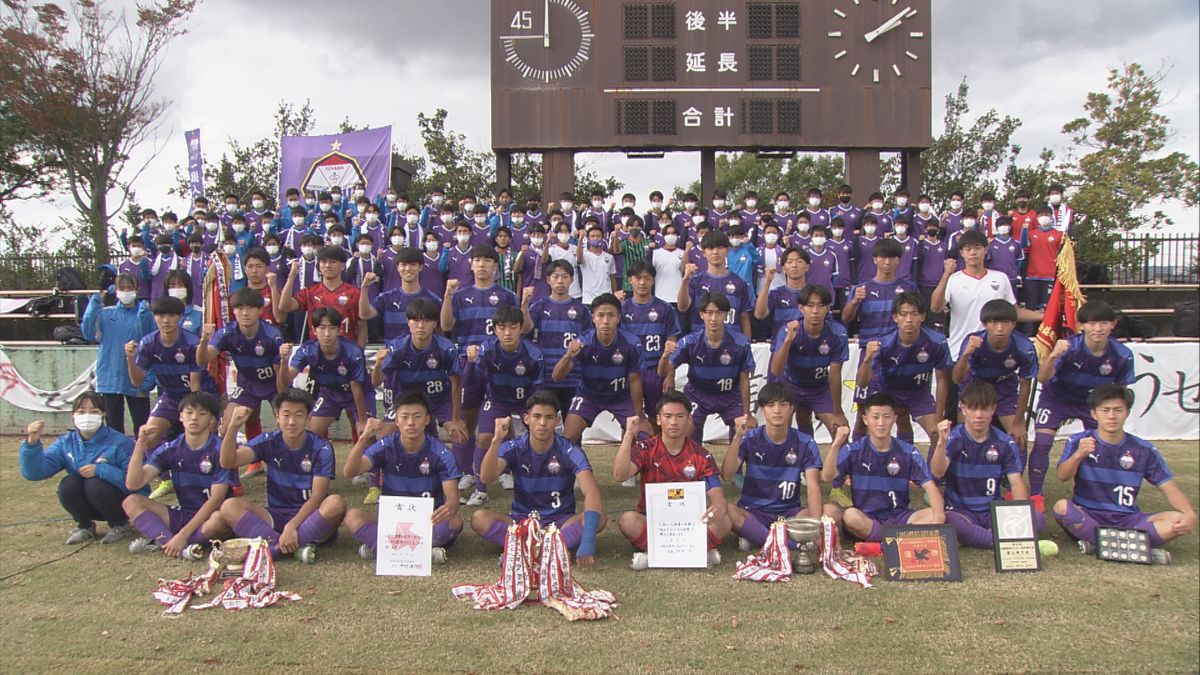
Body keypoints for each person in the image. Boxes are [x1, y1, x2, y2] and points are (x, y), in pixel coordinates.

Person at [1052, 385, 1194, 562]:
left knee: (1177, 520)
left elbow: (1168, 486)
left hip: (1129, 519)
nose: (1112, 416)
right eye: (1106, 410)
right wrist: (1079, 455)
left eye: (1118, 410)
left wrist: (1189, 513)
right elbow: (1062, 476)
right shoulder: (1079, 441)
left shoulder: (1143, 449)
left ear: (1127, 413)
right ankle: (1138, 548)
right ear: (1094, 414)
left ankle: (1099, 544)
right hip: (1090, 515)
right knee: (1062, 507)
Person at [472, 391, 607, 565]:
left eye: (549, 417)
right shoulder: (514, 447)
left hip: (560, 522)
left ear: (557, 420)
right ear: (526, 419)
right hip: (522, 522)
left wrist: (588, 542)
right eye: (537, 416)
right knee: (479, 518)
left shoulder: (570, 450)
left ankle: (525, 549)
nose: (542, 423)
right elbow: (486, 477)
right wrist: (496, 440)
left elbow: (592, 493)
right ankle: (548, 548)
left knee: (599, 518)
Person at [219, 388, 347, 563]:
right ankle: (293, 546)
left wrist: (292, 525)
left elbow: (318, 496)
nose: (292, 422)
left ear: (308, 418)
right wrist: (233, 427)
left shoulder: (321, 448)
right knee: (228, 507)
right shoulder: (268, 440)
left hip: (311, 516)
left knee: (336, 503)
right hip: (276, 515)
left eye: (299, 415)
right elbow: (228, 462)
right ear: (277, 417)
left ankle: (275, 549)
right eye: (286, 415)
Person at [1029, 301, 1135, 507]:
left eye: (1103, 323)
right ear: (1081, 325)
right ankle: (1036, 495)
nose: (1098, 328)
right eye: (1092, 323)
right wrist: (1052, 356)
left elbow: (1120, 391)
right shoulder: (1069, 348)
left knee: (1102, 446)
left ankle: (1096, 493)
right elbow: (1042, 378)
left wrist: (1109, 413)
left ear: (1112, 325)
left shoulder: (1123, 354)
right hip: (1057, 398)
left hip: (1093, 403)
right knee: (1042, 443)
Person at [613, 391, 731, 570]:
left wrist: (719, 507)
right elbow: (620, 475)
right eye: (668, 416)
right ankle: (696, 553)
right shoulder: (646, 448)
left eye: (680, 416)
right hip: (652, 520)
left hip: (690, 522)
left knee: (724, 522)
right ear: (659, 419)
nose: (674, 422)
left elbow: (717, 494)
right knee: (627, 520)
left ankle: (653, 556)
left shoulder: (701, 454)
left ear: (689, 419)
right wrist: (629, 434)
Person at [440, 245, 519, 504]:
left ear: (495, 266)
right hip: (468, 362)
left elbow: (517, 326)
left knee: (501, 416)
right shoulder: (460, 295)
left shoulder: (506, 295)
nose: (482, 264)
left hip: (499, 362)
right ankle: (467, 472)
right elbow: (446, 326)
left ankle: (505, 469)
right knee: (467, 418)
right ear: (470, 265)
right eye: (477, 260)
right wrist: (447, 295)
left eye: (487, 260)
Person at [342, 394, 463, 563]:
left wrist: (449, 507)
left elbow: (452, 499)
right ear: (397, 421)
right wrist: (363, 438)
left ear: (427, 420)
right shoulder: (386, 446)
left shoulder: (441, 453)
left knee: (455, 521)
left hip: (427, 521)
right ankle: (424, 553)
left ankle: (382, 549)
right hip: (392, 521)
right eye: (405, 417)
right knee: (352, 517)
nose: (411, 423)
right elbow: (349, 471)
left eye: (417, 416)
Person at [721, 383, 837, 552]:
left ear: (791, 409)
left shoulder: (805, 442)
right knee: (727, 508)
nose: (777, 410)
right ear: (762, 409)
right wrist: (737, 437)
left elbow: (813, 487)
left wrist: (816, 528)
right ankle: (791, 543)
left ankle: (756, 537)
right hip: (754, 512)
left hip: (790, 513)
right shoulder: (749, 438)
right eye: (771, 405)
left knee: (831, 511)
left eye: (783, 404)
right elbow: (727, 474)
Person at [928, 382, 1043, 550]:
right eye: (973, 409)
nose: (979, 415)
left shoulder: (1005, 442)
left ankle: (985, 537)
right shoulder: (953, 439)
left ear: (993, 409)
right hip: (960, 510)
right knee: (951, 522)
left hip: (993, 510)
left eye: (984, 409)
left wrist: (1021, 516)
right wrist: (941, 443)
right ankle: (998, 539)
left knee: (1038, 520)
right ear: (964, 408)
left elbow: (1016, 482)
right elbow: (937, 472)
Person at [20, 393, 145, 545]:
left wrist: (101, 470)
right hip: (88, 502)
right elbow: (36, 472)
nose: (87, 416)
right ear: (73, 415)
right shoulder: (66, 442)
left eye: (94, 412)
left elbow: (137, 484)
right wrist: (32, 444)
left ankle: (119, 524)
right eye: (81, 412)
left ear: (103, 414)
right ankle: (85, 526)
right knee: (67, 484)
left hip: (118, 501)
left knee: (95, 484)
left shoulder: (121, 443)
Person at [123, 392, 236, 556]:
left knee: (220, 520)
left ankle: (177, 542)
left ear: (212, 420)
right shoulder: (172, 448)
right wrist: (140, 444)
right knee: (131, 501)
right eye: (189, 412)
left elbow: (216, 499)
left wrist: (183, 535)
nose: (194, 418)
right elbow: (133, 484)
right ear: (181, 417)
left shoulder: (220, 450)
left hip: (212, 515)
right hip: (184, 514)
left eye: (202, 413)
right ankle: (171, 543)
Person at [822, 393, 944, 542]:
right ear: (865, 419)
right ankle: (902, 538)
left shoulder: (908, 451)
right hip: (867, 517)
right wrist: (835, 445)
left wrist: (938, 518)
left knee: (936, 513)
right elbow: (827, 476)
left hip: (900, 516)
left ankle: (884, 538)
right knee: (850, 516)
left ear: (894, 419)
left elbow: (931, 487)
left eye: (886, 417)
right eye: (875, 417)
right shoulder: (853, 450)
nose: (881, 423)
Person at [460, 305, 544, 506]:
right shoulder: (487, 349)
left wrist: (532, 414)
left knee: (538, 435)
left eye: (513, 327)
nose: (507, 332)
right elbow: (470, 383)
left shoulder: (533, 353)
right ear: (495, 329)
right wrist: (470, 363)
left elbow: (538, 388)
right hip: (496, 399)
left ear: (521, 328)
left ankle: (535, 485)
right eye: (502, 327)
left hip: (526, 401)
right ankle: (481, 489)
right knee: (484, 436)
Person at [856, 292, 953, 445]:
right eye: (904, 314)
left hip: (918, 393)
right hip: (887, 391)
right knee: (876, 436)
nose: (909, 320)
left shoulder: (937, 342)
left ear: (922, 316)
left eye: (914, 314)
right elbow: (862, 383)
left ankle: (930, 469)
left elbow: (942, 380)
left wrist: (938, 417)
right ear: (896, 317)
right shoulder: (884, 343)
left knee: (937, 434)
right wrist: (867, 359)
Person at [553, 293, 648, 444]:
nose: (605, 321)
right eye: (601, 315)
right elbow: (556, 377)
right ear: (593, 318)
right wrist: (568, 356)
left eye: (611, 315)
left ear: (618, 318)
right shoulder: (583, 342)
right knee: (567, 439)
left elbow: (635, 381)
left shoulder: (631, 344)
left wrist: (639, 416)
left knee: (641, 436)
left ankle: (626, 463)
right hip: (588, 396)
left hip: (621, 398)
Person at [125, 296, 218, 450]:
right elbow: (137, 382)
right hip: (170, 397)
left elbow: (195, 385)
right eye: (161, 316)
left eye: (171, 315)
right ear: (154, 317)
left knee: (197, 439)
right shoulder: (148, 344)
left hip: (199, 396)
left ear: (180, 316)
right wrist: (129, 359)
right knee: (147, 438)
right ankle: (153, 471)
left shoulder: (191, 343)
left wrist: (198, 413)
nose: (166, 320)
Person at [662, 292, 753, 443]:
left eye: (718, 313)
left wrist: (747, 413)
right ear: (701, 315)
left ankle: (735, 467)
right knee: (687, 429)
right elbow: (670, 364)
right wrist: (670, 375)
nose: (713, 318)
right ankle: (693, 464)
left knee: (744, 431)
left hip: (730, 396)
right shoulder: (690, 342)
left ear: (726, 315)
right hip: (698, 394)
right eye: (709, 313)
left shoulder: (741, 343)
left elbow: (744, 380)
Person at [932, 229, 1040, 356]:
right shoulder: (953, 279)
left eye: (977, 248)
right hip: (960, 350)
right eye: (968, 249)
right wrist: (946, 275)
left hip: (993, 352)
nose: (973, 253)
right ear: (962, 253)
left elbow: (1014, 312)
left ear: (986, 249)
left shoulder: (1000, 278)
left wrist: (1045, 317)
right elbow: (935, 308)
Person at [197, 287, 285, 442]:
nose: (245, 313)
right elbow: (202, 359)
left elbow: (280, 375)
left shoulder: (272, 335)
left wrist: (283, 401)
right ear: (234, 311)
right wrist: (204, 340)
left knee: (286, 425)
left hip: (273, 385)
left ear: (260, 310)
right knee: (226, 429)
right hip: (247, 384)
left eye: (250, 308)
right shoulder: (227, 333)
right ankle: (248, 464)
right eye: (239, 308)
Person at [952, 299, 1038, 456]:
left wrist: (1019, 422)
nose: (999, 328)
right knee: (963, 435)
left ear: (1013, 324)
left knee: (1018, 438)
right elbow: (957, 379)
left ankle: (1011, 477)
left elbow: (1025, 384)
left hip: (1005, 389)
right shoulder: (974, 341)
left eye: (1005, 322)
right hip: (975, 387)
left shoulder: (1025, 347)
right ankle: (963, 475)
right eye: (993, 322)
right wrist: (966, 354)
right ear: (984, 324)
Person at [769, 284, 850, 436]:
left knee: (840, 429)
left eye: (820, 306)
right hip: (790, 385)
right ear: (801, 308)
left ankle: (825, 458)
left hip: (819, 388)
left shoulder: (838, 333)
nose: (815, 311)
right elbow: (776, 370)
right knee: (780, 430)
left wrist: (838, 411)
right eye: (810, 305)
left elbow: (834, 374)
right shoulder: (788, 330)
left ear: (827, 308)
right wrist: (787, 341)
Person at [281, 307, 373, 440]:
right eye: (322, 328)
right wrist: (284, 362)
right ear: (314, 330)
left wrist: (363, 421)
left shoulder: (353, 352)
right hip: (329, 394)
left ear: (339, 330)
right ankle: (321, 458)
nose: (327, 333)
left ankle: (358, 456)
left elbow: (356, 386)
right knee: (310, 435)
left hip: (359, 394)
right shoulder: (308, 350)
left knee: (366, 435)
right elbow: (286, 381)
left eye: (332, 328)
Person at [81, 272, 155, 434]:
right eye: (122, 288)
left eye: (130, 288)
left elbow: (152, 340)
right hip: (110, 376)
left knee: (141, 423)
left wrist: (144, 317)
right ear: (115, 290)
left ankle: (142, 455)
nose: (126, 291)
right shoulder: (106, 313)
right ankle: (117, 457)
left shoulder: (145, 313)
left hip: (137, 377)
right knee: (113, 425)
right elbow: (88, 333)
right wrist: (94, 305)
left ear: (137, 289)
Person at [523, 259, 591, 415]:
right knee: (544, 427)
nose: (560, 280)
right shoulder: (538, 307)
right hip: (544, 377)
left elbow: (588, 341)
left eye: (565, 276)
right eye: (555, 276)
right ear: (548, 280)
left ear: (572, 279)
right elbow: (526, 329)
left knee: (572, 433)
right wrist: (524, 305)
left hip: (573, 378)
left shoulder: (582, 310)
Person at [621, 261, 681, 420]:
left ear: (653, 280)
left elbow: (672, 345)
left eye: (647, 278)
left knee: (658, 418)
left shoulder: (666, 308)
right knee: (631, 419)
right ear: (629, 280)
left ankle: (659, 446)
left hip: (657, 371)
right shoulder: (622, 309)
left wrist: (670, 375)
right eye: (638, 278)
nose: (642, 282)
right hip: (631, 371)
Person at [278, 246, 366, 346]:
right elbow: (284, 306)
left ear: (342, 266)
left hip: (346, 352)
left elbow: (362, 328)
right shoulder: (310, 292)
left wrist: (359, 354)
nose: (328, 265)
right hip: (317, 352)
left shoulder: (355, 293)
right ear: (319, 266)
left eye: (333, 262)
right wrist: (292, 276)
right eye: (324, 262)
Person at [678, 231, 753, 336]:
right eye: (710, 248)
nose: (715, 252)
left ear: (727, 250)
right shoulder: (695, 281)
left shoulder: (740, 283)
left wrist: (746, 345)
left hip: (732, 342)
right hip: (701, 342)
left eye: (720, 247)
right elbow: (682, 307)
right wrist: (685, 279)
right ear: (704, 252)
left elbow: (744, 317)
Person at [359, 248, 441, 341]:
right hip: (393, 353)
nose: (408, 269)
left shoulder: (432, 299)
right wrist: (364, 288)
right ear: (397, 267)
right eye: (403, 265)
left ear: (421, 267)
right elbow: (364, 315)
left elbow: (441, 330)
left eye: (413, 264)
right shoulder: (386, 298)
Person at [754, 246, 810, 340]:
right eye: (789, 261)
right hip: (780, 346)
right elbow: (759, 314)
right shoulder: (775, 294)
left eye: (799, 261)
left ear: (807, 267)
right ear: (783, 268)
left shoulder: (814, 294)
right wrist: (767, 282)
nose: (794, 265)